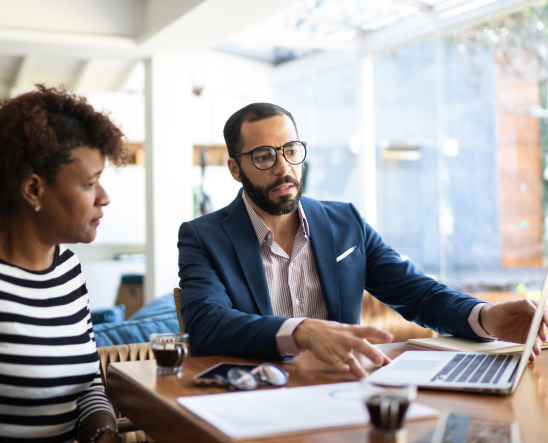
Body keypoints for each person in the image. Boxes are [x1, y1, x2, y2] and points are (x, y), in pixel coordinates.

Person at [177, 102, 548, 379]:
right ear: (235, 169)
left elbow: (417, 292)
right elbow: (207, 324)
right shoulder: (204, 236)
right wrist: (302, 332)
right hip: (254, 402)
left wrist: (485, 317)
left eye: (291, 150)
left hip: (343, 389)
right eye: (263, 157)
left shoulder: (345, 223)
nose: (283, 168)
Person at [0, 86, 128, 443]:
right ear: (33, 189)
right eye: (89, 184)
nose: (104, 197)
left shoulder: (68, 271)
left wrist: (105, 437)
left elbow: (87, 383)